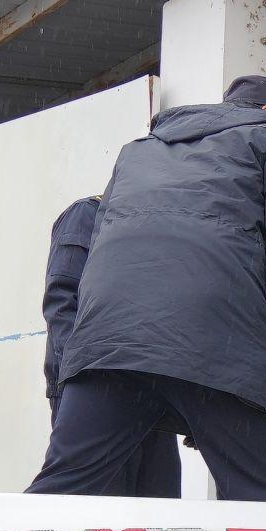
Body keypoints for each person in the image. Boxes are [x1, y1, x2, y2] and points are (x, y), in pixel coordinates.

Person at [27, 75, 266, 503]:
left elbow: (98, 250)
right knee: (250, 497)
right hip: (216, 339)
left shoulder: (138, 152)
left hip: (109, 346)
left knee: (60, 491)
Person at [40, 194, 181, 497]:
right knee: (88, 504)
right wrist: (78, 381)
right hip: (93, 389)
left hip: (148, 391)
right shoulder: (87, 214)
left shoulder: (148, 222)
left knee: (158, 508)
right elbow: (63, 303)